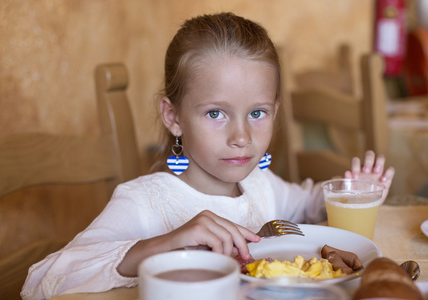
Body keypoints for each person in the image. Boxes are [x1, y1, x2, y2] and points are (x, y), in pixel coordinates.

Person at [21, 12, 395, 299]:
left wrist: (354, 190)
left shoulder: (261, 185)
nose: (241, 137)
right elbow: (40, 281)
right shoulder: (146, 202)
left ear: (276, 112)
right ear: (174, 117)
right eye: (216, 113)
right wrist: (164, 244)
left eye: (257, 113)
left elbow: (309, 206)